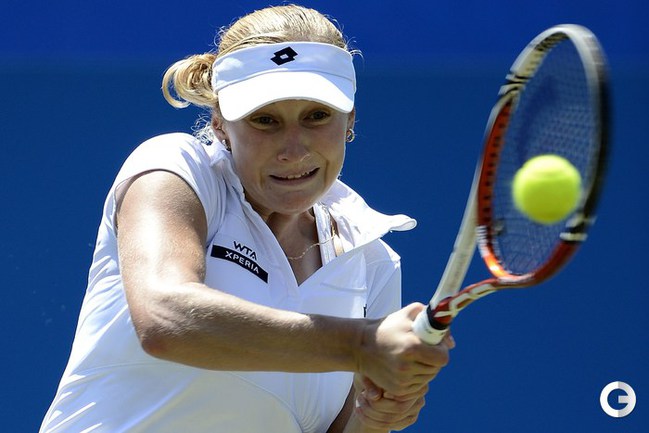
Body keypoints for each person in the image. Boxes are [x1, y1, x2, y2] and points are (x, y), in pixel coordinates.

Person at [40, 4, 454, 433]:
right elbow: (165, 317)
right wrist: (360, 343)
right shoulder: (176, 169)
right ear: (220, 124)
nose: (294, 149)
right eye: (265, 120)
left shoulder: (372, 262)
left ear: (349, 118)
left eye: (316, 116)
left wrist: (372, 420)